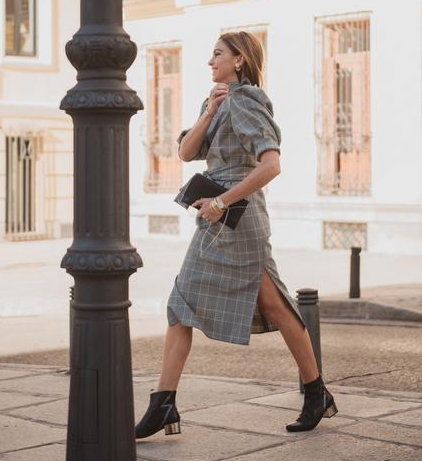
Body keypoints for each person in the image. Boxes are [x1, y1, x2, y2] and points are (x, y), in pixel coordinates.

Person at [135, 31, 338, 439]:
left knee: (212, 303)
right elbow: (186, 153)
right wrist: (209, 112)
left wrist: (222, 201)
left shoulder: (247, 101)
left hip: (236, 218)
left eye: (217, 55)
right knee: (263, 305)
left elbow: (271, 166)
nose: (210, 62)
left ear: (240, 60)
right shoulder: (219, 100)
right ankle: (166, 402)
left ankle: (165, 403)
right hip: (221, 219)